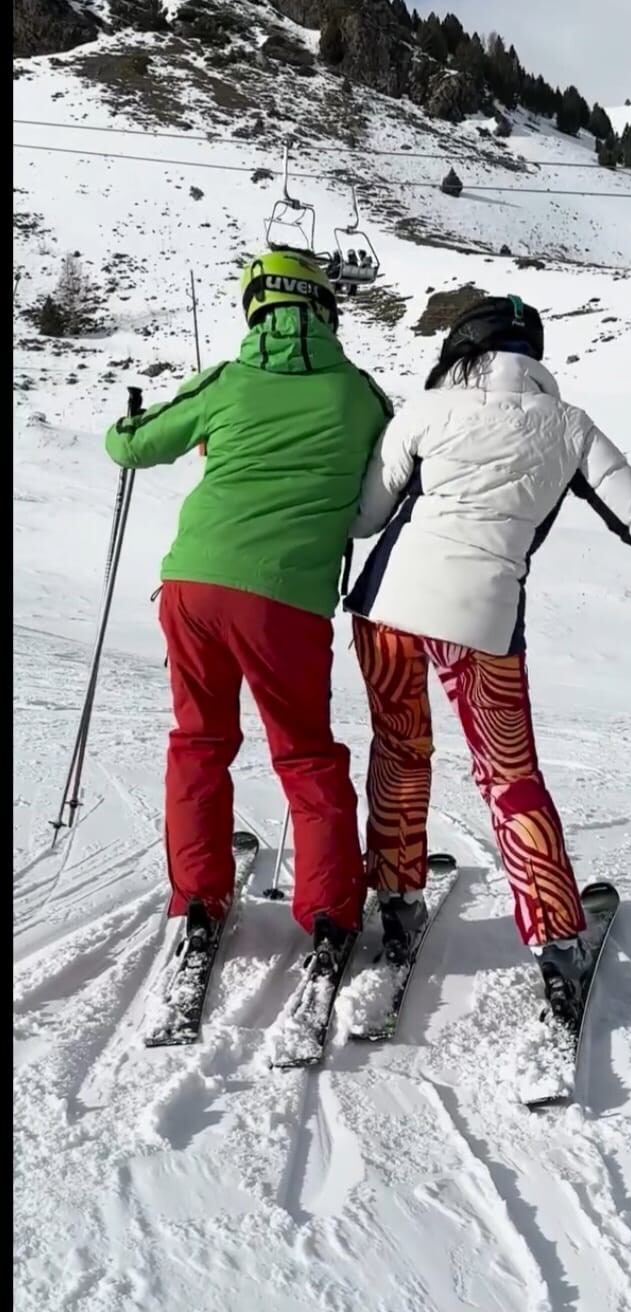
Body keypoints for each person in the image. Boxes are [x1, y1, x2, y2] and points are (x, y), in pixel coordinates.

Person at [344, 294, 631, 1018]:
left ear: (462, 349)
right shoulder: (569, 425)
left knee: (398, 748)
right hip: (482, 621)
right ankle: (555, 939)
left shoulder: (425, 410)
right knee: (509, 778)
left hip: (385, 609)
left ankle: (396, 900)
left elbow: (365, 518)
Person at [105, 250, 392, 969]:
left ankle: (198, 899)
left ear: (255, 309)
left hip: (194, 586)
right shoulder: (360, 395)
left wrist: (129, 425)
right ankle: (329, 912)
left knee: (199, 741)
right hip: (287, 601)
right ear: (325, 308)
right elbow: (376, 500)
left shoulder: (226, 380)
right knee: (306, 754)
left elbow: (132, 446)